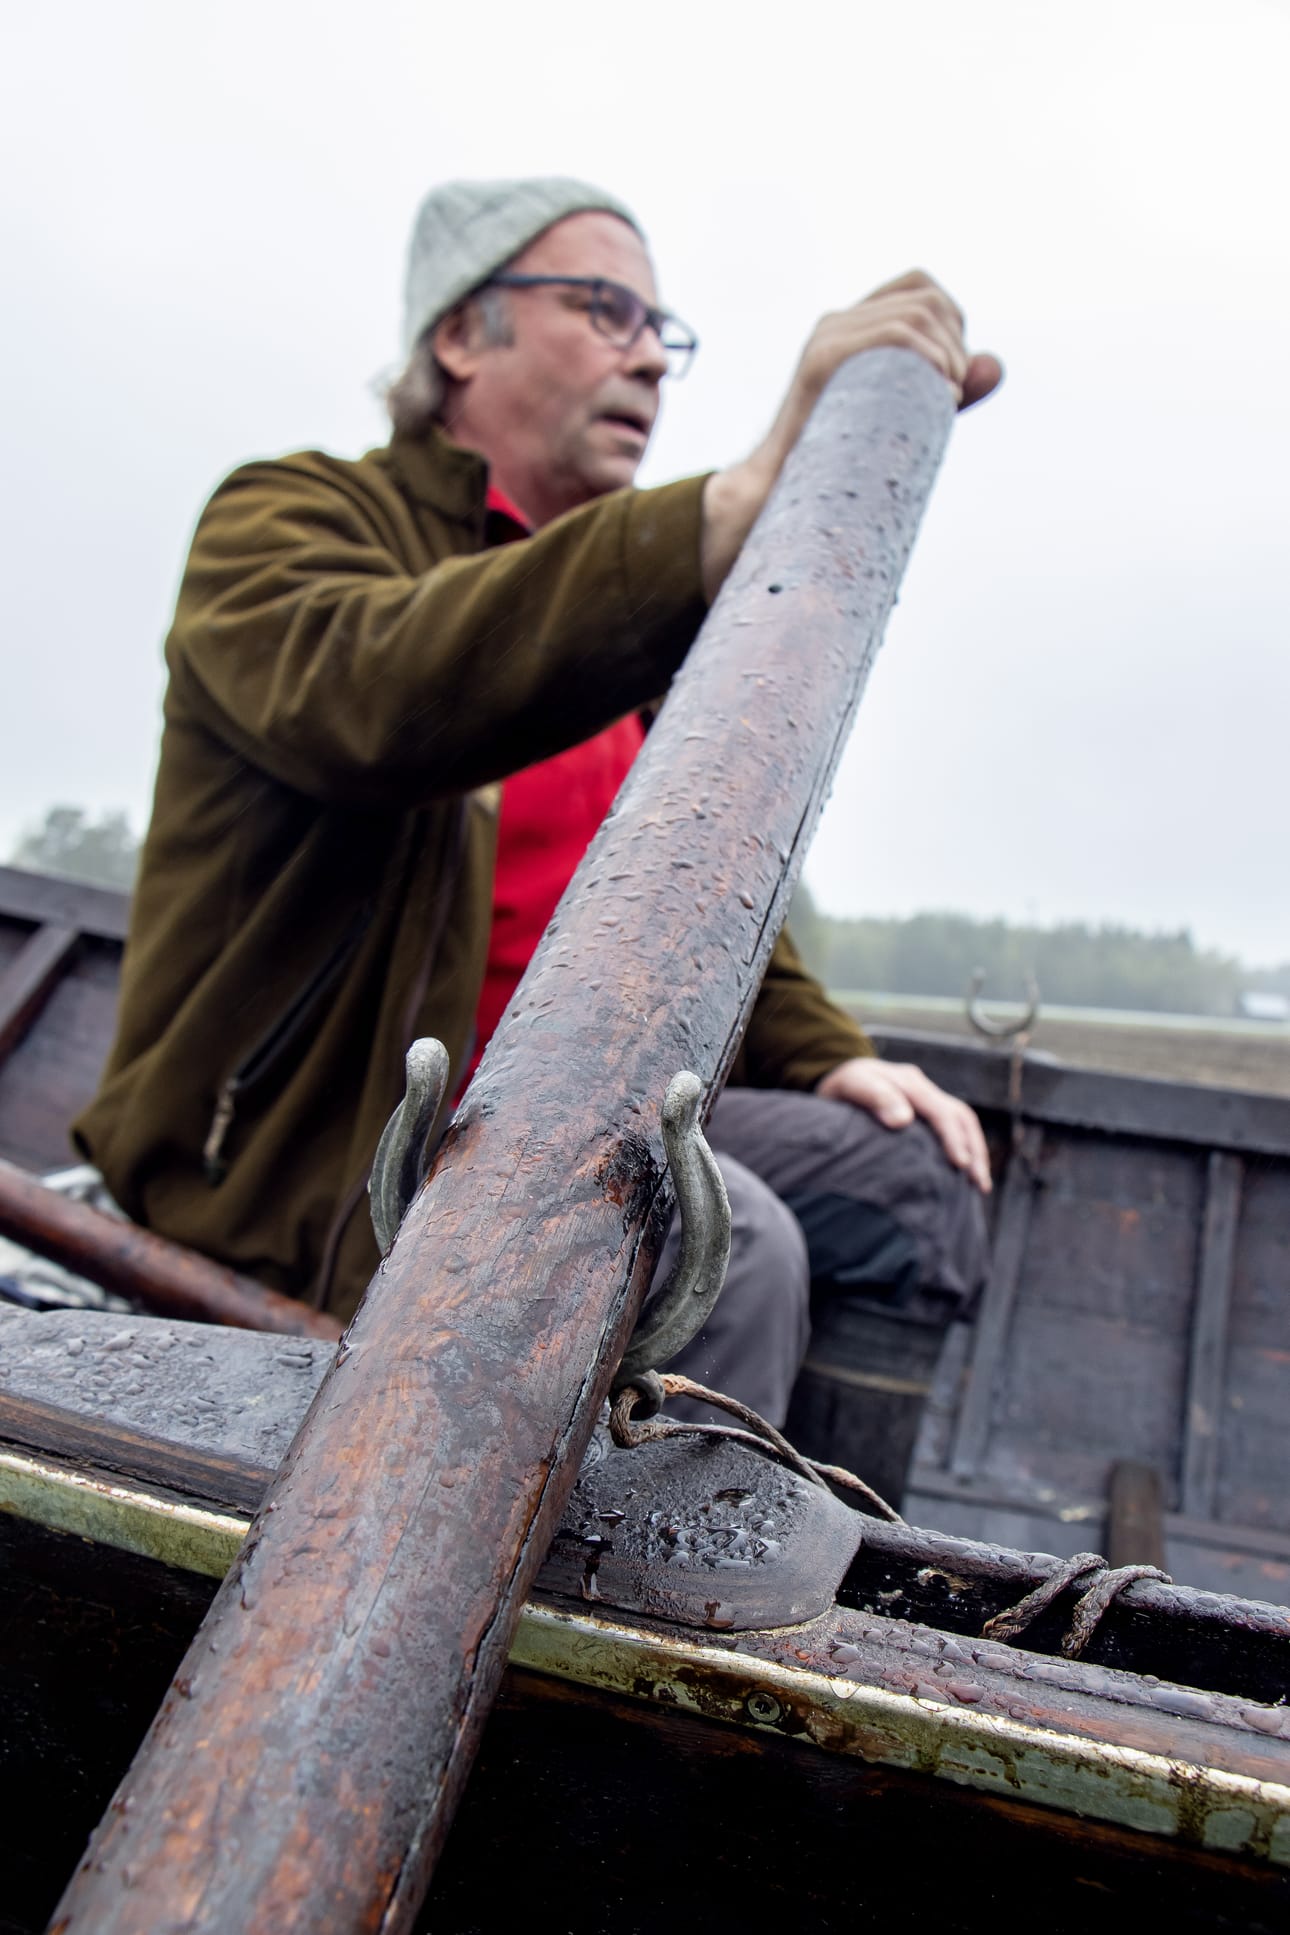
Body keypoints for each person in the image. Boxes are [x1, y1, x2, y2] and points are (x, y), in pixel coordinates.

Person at [75, 178, 1001, 1473]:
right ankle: (602, 1627)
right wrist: (728, 510)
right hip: (337, 1147)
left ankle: (823, 1544)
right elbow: (378, 695)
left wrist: (828, 1052)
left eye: (660, 331)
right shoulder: (291, 519)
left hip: (571, 1104)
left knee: (909, 1180)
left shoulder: (628, 622)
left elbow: (696, 879)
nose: (645, 356)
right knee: (735, 1244)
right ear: (461, 336)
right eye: (603, 307)